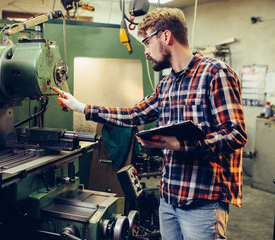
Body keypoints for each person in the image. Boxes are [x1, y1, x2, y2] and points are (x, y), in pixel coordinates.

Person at [56, 7, 247, 240]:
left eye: (146, 42)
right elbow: (134, 114)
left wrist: (181, 145)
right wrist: (82, 107)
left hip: (202, 201)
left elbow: (236, 134)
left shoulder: (215, 73)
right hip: (168, 199)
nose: (145, 51)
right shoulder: (166, 85)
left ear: (166, 36)